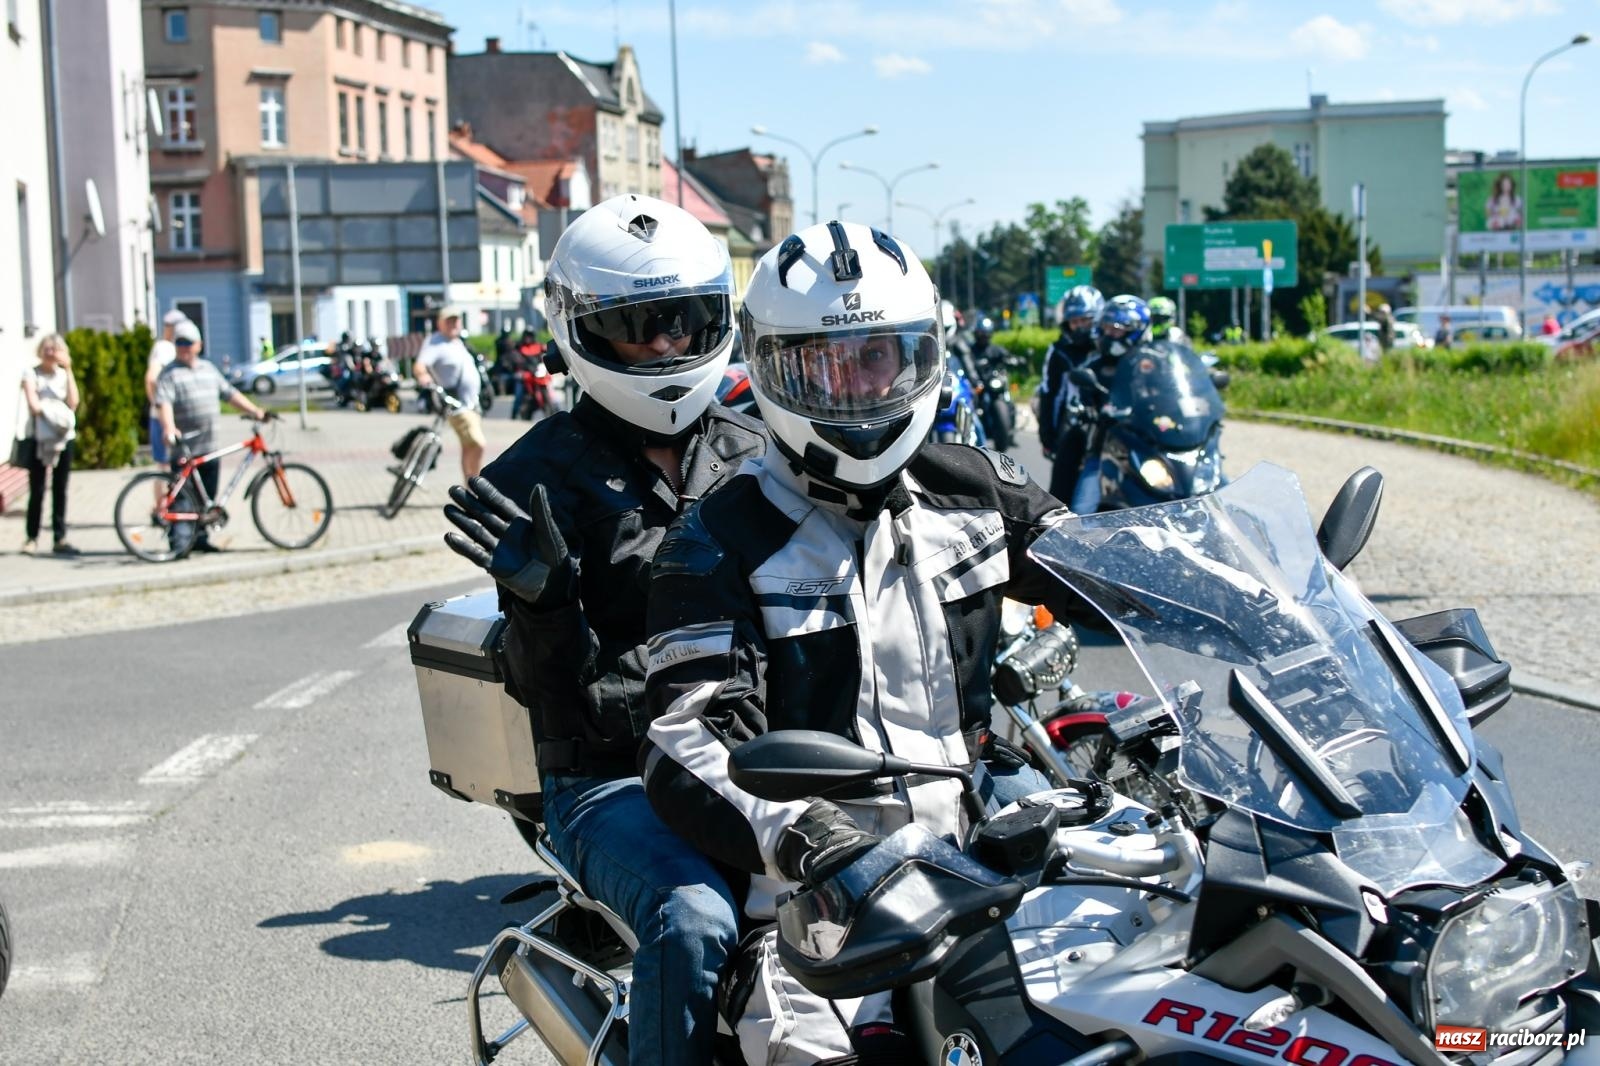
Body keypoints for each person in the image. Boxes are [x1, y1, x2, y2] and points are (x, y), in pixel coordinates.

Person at [639, 220, 1073, 1064]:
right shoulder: (717, 539)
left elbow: (1099, 564)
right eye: (820, 363)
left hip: (975, 865)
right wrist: (811, 835)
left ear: (921, 357)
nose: (854, 387)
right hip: (815, 907)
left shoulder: (971, 487)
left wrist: (1247, 592)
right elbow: (685, 735)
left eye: (878, 356)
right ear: (770, 367)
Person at [439, 194, 764, 1066]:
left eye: (686, 321)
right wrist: (543, 607)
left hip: (759, 756)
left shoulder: (759, 451)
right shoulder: (531, 481)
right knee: (692, 917)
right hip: (612, 780)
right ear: (580, 330)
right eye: (637, 326)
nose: (665, 345)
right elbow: (550, 694)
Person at [154, 321, 271, 554]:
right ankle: (180, 543)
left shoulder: (208, 369)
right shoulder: (170, 374)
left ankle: (200, 539)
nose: (183, 347)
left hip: (209, 446)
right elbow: (163, 403)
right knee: (184, 498)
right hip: (185, 446)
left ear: (199, 345)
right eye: (179, 343)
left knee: (206, 497)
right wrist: (169, 428)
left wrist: (255, 411)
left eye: (188, 343)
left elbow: (230, 394)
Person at [1068, 294, 1152, 514]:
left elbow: (1176, 391)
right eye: (1106, 327)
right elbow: (1078, 397)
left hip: (1150, 447)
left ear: (1136, 329)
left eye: (1116, 329)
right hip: (1106, 449)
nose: (1109, 334)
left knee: (1209, 488)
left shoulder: (1153, 363)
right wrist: (1086, 407)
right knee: (1080, 514)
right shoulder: (1095, 365)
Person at [1037, 284, 1103, 501]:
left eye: (1085, 320)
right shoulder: (1058, 351)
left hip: (1108, 425)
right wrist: (1047, 434)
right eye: (1075, 322)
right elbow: (1049, 393)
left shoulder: (1109, 347)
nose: (1080, 327)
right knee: (1061, 490)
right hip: (1073, 425)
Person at [18, 334, 80, 555]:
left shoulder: (63, 375)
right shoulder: (31, 374)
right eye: (47, 348)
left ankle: (59, 536)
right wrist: (57, 411)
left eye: (55, 349)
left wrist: (69, 369)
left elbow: (73, 403)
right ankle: (31, 537)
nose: (50, 352)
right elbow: (34, 406)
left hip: (64, 438)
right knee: (37, 489)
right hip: (39, 438)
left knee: (60, 489)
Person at [412, 307, 486, 480]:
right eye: (449, 320)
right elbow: (419, 365)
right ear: (440, 323)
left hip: (471, 404)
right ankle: (475, 484)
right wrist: (423, 376)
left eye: (456, 320)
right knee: (478, 444)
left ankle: (470, 484)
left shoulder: (457, 342)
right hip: (457, 405)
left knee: (468, 446)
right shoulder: (435, 342)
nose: (453, 324)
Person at [145, 310, 188, 477]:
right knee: (166, 466)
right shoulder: (165, 348)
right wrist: (159, 404)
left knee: (167, 465)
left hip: (164, 415)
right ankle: (162, 503)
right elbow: (150, 378)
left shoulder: (164, 346)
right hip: (164, 418)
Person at [967, 315, 1017, 449]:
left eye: (986, 334)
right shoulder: (970, 351)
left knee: (1010, 402)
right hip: (978, 385)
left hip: (993, 383)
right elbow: (965, 364)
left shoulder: (995, 349)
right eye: (981, 334)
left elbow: (1007, 356)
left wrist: (1013, 360)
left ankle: (1010, 431)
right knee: (972, 403)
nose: (983, 337)